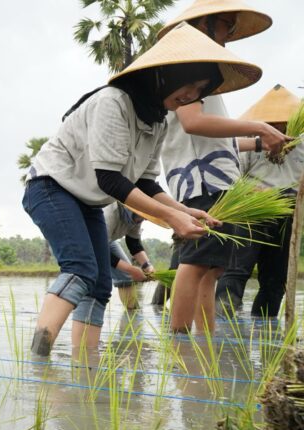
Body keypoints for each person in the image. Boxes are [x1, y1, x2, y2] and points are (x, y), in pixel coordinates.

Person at [23, 22, 262, 356]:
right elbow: (111, 179)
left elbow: (146, 182)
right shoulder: (113, 102)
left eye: (200, 90)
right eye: (188, 85)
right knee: (80, 270)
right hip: (51, 187)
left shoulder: (159, 120)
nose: (191, 95)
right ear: (164, 75)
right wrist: (169, 218)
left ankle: (85, 365)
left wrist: (183, 210)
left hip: (87, 200)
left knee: (101, 284)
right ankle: (39, 359)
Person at [156, 0, 291, 333]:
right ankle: (181, 344)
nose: (228, 34)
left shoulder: (203, 72)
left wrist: (259, 142)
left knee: (212, 268)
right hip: (201, 181)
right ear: (204, 25)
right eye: (225, 26)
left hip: (215, 179)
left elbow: (220, 141)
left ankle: (206, 342)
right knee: (196, 262)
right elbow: (192, 122)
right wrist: (257, 127)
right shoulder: (190, 67)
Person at [216, 84, 304, 318]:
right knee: (236, 272)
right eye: (271, 124)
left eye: (282, 123)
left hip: (288, 216)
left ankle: (265, 337)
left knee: (276, 281)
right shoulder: (250, 144)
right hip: (251, 213)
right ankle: (221, 336)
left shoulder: (302, 146)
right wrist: (254, 191)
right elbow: (232, 178)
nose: (277, 128)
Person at [103, 203, 155, 310]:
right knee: (92, 280)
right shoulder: (109, 214)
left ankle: (132, 315)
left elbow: (133, 243)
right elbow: (101, 250)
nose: (145, 219)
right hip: (87, 239)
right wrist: (131, 270)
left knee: (126, 275)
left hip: (106, 241)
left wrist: (147, 266)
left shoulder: (137, 216)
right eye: (144, 216)